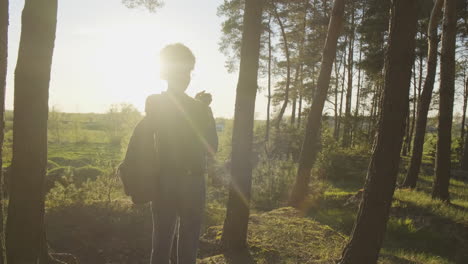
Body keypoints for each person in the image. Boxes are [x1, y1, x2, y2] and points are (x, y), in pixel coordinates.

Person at [146, 43, 218, 264]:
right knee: (189, 245)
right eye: (187, 71)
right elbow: (212, 147)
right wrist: (204, 108)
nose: (187, 76)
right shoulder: (201, 109)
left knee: (160, 242)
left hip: (163, 181)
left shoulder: (153, 102)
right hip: (193, 181)